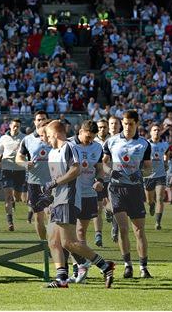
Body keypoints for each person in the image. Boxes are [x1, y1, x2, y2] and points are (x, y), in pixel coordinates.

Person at [44, 120, 115, 288]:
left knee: (68, 242)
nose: (46, 140)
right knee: (53, 241)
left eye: (48, 136)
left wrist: (54, 183)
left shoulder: (69, 147)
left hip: (69, 198)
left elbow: (75, 170)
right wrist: (49, 195)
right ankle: (62, 279)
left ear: (55, 134)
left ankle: (105, 266)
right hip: (58, 200)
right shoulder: (54, 152)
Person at [102, 110, 153, 278]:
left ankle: (143, 267)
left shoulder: (144, 144)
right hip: (116, 189)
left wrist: (139, 174)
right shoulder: (111, 142)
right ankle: (127, 265)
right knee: (123, 229)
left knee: (138, 230)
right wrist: (110, 172)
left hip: (135, 190)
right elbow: (103, 165)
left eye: (131, 124)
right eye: (125, 124)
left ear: (137, 124)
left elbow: (148, 168)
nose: (127, 127)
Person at [67, 120, 105, 283]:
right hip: (70, 194)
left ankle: (81, 271)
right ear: (80, 131)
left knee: (81, 232)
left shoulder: (97, 147)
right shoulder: (69, 145)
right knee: (68, 234)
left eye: (92, 138)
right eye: (87, 137)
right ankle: (78, 267)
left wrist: (99, 180)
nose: (89, 141)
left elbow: (99, 168)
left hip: (88, 194)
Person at [16, 111, 50, 240]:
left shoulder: (54, 138)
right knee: (38, 216)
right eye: (39, 119)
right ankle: (44, 244)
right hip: (34, 182)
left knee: (51, 214)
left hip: (51, 182)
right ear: (35, 122)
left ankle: (55, 244)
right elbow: (18, 158)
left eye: (44, 119)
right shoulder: (28, 139)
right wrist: (24, 163)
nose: (41, 122)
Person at [0, 118, 26, 231]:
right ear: (10, 126)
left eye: (18, 126)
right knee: (8, 196)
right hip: (7, 169)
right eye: (14, 126)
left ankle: (14, 201)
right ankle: (10, 222)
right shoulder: (3, 138)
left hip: (19, 169)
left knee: (17, 197)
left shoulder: (24, 138)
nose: (16, 128)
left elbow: (28, 152)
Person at [144, 124, 169, 230]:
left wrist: (166, 162)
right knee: (150, 200)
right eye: (154, 130)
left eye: (158, 130)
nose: (157, 131)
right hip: (148, 176)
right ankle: (151, 205)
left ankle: (158, 222)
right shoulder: (146, 144)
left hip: (161, 175)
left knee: (160, 198)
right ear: (151, 132)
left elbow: (166, 153)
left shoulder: (165, 144)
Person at [93, 119, 110, 247]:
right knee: (98, 207)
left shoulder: (114, 141)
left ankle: (110, 212)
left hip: (111, 178)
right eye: (100, 127)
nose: (102, 129)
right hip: (97, 178)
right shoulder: (93, 142)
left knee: (113, 206)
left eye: (104, 127)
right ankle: (98, 234)